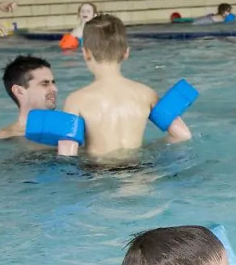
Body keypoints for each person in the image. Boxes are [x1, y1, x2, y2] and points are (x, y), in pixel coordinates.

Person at [57, 14, 192, 158]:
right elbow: (183, 135)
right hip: (139, 168)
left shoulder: (76, 100)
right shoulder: (146, 94)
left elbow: (67, 155)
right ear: (126, 52)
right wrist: (151, 150)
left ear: (86, 53)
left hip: (97, 170)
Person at [0, 55, 57, 140]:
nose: (55, 89)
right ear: (19, 91)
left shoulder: (65, 127)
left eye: (53, 82)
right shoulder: (4, 139)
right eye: (45, 83)